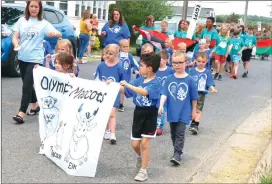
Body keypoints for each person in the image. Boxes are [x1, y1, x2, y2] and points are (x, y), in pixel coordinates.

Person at [12, 0, 61, 124]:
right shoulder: (21, 21)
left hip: (35, 59)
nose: (34, 9)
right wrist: (16, 43)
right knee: (27, 83)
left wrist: (54, 33)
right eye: (31, 6)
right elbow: (15, 36)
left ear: (40, 9)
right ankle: (35, 105)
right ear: (28, 7)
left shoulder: (43, 23)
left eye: (36, 7)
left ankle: (21, 113)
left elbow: (59, 33)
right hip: (22, 57)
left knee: (26, 85)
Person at [120, 53, 161, 182]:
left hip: (150, 114)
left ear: (149, 68)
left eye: (141, 65)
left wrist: (127, 84)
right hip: (138, 113)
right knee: (135, 144)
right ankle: (141, 157)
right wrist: (112, 86)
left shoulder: (156, 82)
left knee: (144, 143)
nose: (139, 68)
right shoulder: (139, 80)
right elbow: (125, 91)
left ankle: (143, 170)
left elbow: (144, 92)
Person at [158, 51, 198, 165]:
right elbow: (164, 93)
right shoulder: (169, 78)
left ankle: (177, 153)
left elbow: (194, 98)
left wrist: (193, 111)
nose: (177, 65)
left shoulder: (190, 80)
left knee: (180, 132)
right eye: (175, 63)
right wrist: (161, 105)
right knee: (173, 133)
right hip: (172, 111)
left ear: (186, 63)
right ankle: (177, 149)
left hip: (184, 111)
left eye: (180, 62)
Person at [94, 44, 124, 144]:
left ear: (116, 55)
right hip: (103, 93)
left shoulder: (119, 67)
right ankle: (106, 129)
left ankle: (112, 133)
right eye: (106, 53)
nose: (108, 55)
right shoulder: (101, 65)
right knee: (104, 113)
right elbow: (97, 78)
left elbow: (123, 82)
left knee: (111, 113)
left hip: (114, 94)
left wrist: (115, 85)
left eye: (110, 54)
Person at [189, 52, 217, 134]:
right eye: (199, 61)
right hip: (191, 94)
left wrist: (212, 88)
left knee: (198, 110)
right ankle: (193, 122)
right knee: (191, 109)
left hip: (201, 94)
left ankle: (195, 125)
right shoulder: (192, 71)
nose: (201, 63)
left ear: (206, 62)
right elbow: (188, 81)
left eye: (203, 62)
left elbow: (209, 82)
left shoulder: (207, 72)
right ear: (196, 61)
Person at [156, 50, 174, 135]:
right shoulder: (155, 69)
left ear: (166, 60)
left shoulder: (170, 70)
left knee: (161, 110)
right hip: (155, 94)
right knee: (154, 110)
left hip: (165, 95)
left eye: (160, 59)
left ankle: (159, 126)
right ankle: (153, 125)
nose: (158, 61)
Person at [118, 39, 139, 112]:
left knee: (122, 90)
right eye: (124, 47)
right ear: (120, 47)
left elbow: (135, 65)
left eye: (127, 46)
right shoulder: (117, 55)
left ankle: (121, 104)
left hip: (125, 76)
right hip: (117, 75)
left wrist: (135, 70)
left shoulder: (129, 56)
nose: (126, 48)